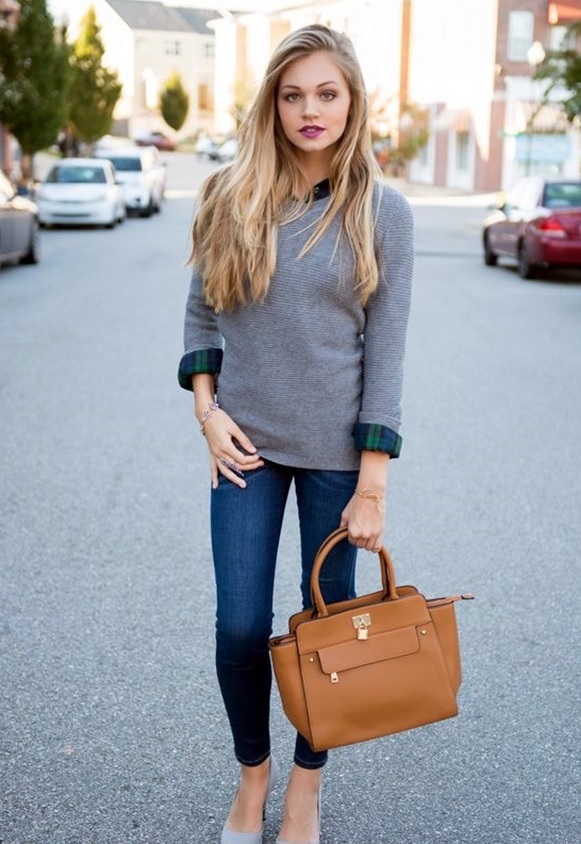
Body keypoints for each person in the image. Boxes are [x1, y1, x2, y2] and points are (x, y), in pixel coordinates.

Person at [178, 23, 414, 844]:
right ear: (271, 104)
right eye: (292, 94)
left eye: (326, 93)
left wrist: (373, 484)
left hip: (334, 460)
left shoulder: (383, 212)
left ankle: (307, 786)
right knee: (240, 624)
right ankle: (254, 777)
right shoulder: (228, 193)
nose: (309, 110)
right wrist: (206, 413)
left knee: (327, 630)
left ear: (352, 101)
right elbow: (202, 313)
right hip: (242, 444)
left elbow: (386, 353)